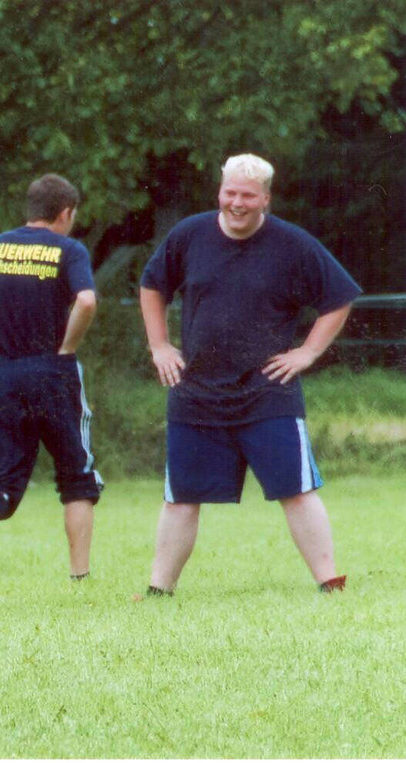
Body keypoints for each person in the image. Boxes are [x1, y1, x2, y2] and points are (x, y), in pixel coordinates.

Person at [138, 153, 361, 596]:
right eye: (229, 192)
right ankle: (159, 591)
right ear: (220, 191)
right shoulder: (189, 235)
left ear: (265, 199)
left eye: (247, 195)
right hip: (196, 392)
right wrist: (160, 346)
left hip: (268, 391)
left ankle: (329, 583)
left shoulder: (294, 244)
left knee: (296, 491)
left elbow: (339, 297)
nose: (236, 203)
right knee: (180, 497)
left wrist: (308, 352)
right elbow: (152, 286)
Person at [0, 173, 103, 583]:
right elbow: (86, 300)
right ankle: (79, 576)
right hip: (53, 375)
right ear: (65, 213)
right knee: (77, 477)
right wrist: (67, 347)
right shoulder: (69, 249)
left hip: (1, 377)